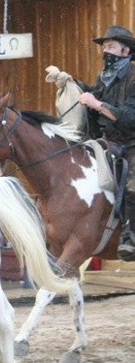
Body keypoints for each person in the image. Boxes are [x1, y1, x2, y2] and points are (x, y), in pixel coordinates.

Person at [74, 25, 135, 261]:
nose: (105, 51)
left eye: (110, 47)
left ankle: (131, 236)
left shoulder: (133, 77)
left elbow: (129, 118)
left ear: (125, 50)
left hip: (131, 142)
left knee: (132, 187)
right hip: (106, 141)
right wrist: (73, 83)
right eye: (105, 47)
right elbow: (95, 95)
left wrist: (96, 104)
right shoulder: (104, 76)